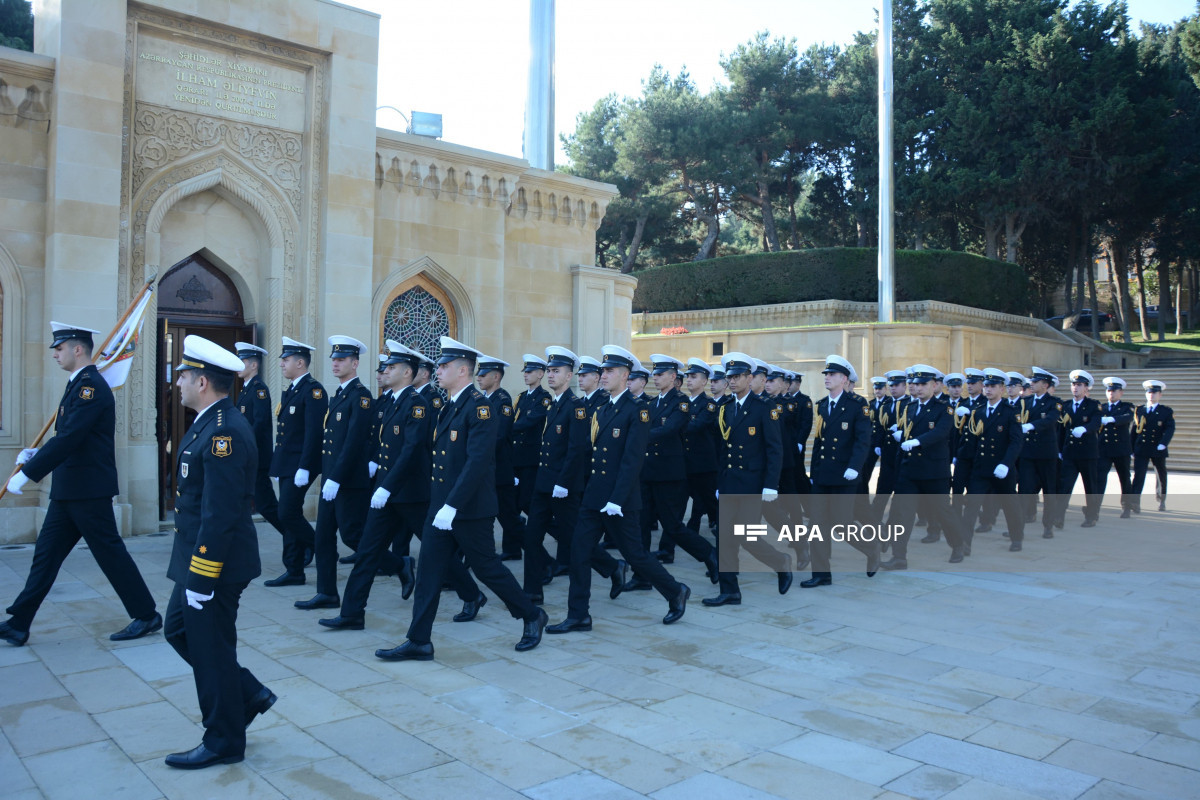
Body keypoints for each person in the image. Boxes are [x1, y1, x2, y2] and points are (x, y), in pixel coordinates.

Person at [376, 337, 546, 661]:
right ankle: (418, 640)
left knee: (487, 569)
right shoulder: (449, 405)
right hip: (441, 508)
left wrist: (452, 506)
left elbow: (477, 463)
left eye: (444, 366)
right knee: (428, 572)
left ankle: (530, 614)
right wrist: (440, 505)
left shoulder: (481, 409)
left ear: (463, 370)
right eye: (438, 365)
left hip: (469, 510)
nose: (437, 371)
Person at [2, 322, 160, 647]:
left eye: (60, 348)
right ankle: (19, 622)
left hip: (88, 491)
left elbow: (71, 438)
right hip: (69, 490)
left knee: (110, 555)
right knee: (45, 557)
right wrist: (36, 452)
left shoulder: (91, 387)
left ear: (77, 349)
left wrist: (28, 472)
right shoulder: (76, 385)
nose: (55, 354)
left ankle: (146, 615)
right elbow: (69, 435)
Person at [163, 335, 273, 769]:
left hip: (215, 563)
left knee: (209, 647)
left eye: (184, 377)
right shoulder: (211, 420)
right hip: (197, 556)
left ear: (203, 381)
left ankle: (224, 739)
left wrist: (203, 577)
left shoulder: (224, 430)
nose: (179, 384)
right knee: (180, 631)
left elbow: (222, 512)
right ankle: (246, 695)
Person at [547, 345, 690, 633]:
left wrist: (616, 499)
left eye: (609, 371)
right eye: (602, 370)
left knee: (636, 555)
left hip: (619, 500)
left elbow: (632, 460)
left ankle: (675, 591)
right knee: (578, 552)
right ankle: (578, 615)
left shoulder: (638, 411)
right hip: (595, 495)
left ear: (625, 375)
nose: (602, 375)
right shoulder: (602, 407)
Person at [521, 346, 627, 603]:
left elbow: (577, 449)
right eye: (549, 371)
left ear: (569, 377)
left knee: (574, 538)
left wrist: (564, 483)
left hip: (563, 487)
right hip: (544, 484)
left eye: (556, 372)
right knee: (531, 536)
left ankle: (612, 567)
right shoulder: (554, 405)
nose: (550, 376)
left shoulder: (575, 407)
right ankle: (532, 591)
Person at [703, 352, 792, 606]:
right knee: (725, 538)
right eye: (729, 376)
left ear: (750, 378)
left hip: (753, 484)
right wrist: (720, 484)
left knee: (746, 535)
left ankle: (780, 562)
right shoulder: (726, 407)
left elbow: (775, 449)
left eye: (737, 376)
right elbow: (724, 449)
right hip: (730, 483)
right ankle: (729, 590)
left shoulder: (765, 408)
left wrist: (770, 485)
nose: (731, 381)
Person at [295, 337, 374, 609]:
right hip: (333, 479)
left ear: (355, 363)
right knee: (323, 537)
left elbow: (353, 442)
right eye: (334, 359)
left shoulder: (361, 396)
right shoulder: (340, 393)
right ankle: (327, 592)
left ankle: (399, 564)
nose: (336, 363)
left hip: (349, 482)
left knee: (352, 537)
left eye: (341, 359)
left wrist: (336, 478)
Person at [880, 364, 964, 569]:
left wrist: (918, 441)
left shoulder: (944, 408)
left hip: (934, 472)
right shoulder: (910, 407)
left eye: (922, 384)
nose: (917, 388)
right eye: (913, 384)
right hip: (910, 471)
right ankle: (899, 557)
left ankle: (958, 545)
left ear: (935, 385)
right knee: (903, 515)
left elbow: (942, 432)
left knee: (943, 512)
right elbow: (907, 430)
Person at [804, 355, 879, 585]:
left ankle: (871, 550)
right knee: (816, 526)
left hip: (845, 476)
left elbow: (862, 440)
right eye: (826, 374)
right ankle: (821, 574)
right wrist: (814, 471)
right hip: (823, 475)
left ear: (844, 379)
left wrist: (855, 467)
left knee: (842, 525)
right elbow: (819, 442)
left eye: (832, 374)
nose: (827, 378)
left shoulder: (858, 406)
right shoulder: (823, 405)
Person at [264, 337, 326, 586]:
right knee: (289, 514)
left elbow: (314, 433)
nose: (281, 364)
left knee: (287, 513)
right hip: (287, 464)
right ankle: (294, 569)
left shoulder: (314, 390)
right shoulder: (292, 390)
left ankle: (319, 547)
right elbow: (285, 433)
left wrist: (304, 466)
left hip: (301, 464)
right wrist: (278, 465)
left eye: (286, 360)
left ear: (300, 363)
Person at [956, 369, 1025, 552]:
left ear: (1001, 388)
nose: (988, 390)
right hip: (981, 468)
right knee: (971, 507)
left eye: (992, 386)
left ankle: (1016, 537)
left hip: (1002, 468)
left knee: (1010, 505)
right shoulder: (977, 412)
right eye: (986, 386)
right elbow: (972, 441)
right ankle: (964, 543)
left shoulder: (1011, 412)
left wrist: (1006, 464)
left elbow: (1016, 441)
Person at [234, 342, 286, 545]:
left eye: (242, 361)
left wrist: (245, 447)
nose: (238, 365)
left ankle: (298, 540)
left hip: (257, 458)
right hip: (247, 457)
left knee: (266, 506)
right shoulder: (245, 390)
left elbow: (260, 423)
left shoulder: (259, 390)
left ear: (253, 366)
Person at [1057, 369, 1102, 528]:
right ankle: (1059, 517)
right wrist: (1059, 449)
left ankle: (1091, 516)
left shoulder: (1093, 405)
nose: (1075, 387)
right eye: (1073, 384)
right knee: (1064, 486)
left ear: (1086, 388)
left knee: (1090, 486)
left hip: (1087, 454)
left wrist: (1084, 429)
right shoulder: (1065, 406)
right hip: (1069, 453)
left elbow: (1097, 422)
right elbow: (1061, 429)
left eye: (1080, 385)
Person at [1130, 379, 1173, 513]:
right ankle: (1135, 502)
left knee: (1160, 475)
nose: (1151, 395)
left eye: (1154, 393)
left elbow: (1170, 429)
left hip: (1157, 448)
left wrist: (1163, 444)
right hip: (1141, 447)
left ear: (1160, 395)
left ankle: (1161, 500)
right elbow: (1134, 430)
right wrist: (1131, 448)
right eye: (1149, 392)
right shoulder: (1140, 410)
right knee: (1139, 476)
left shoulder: (1165, 411)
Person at [1096, 376, 1135, 519]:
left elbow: (1127, 417)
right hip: (1104, 449)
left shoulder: (1126, 406)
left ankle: (1126, 507)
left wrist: (1111, 419)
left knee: (1124, 478)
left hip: (1121, 449)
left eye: (1114, 391)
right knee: (1099, 478)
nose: (1111, 393)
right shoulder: (1102, 408)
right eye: (1109, 390)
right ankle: (1095, 507)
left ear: (1121, 393)